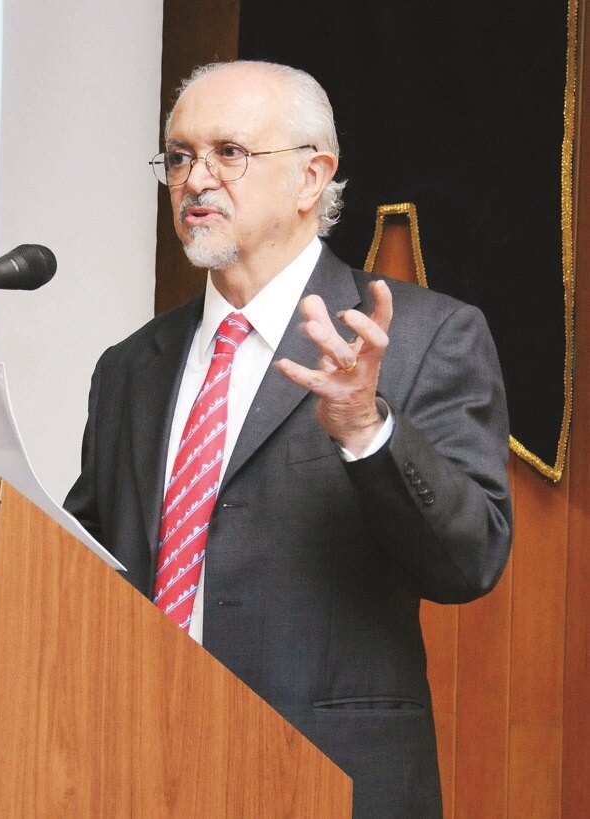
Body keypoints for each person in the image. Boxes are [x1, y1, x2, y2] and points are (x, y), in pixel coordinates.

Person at [64, 60, 512, 818]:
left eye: (228, 153)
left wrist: (366, 431)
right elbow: (96, 562)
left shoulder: (420, 337)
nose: (194, 179)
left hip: (323, 777)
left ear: (312, 178)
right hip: (137, 767)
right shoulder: (130, 367)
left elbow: (469, 560)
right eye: (178, 156)